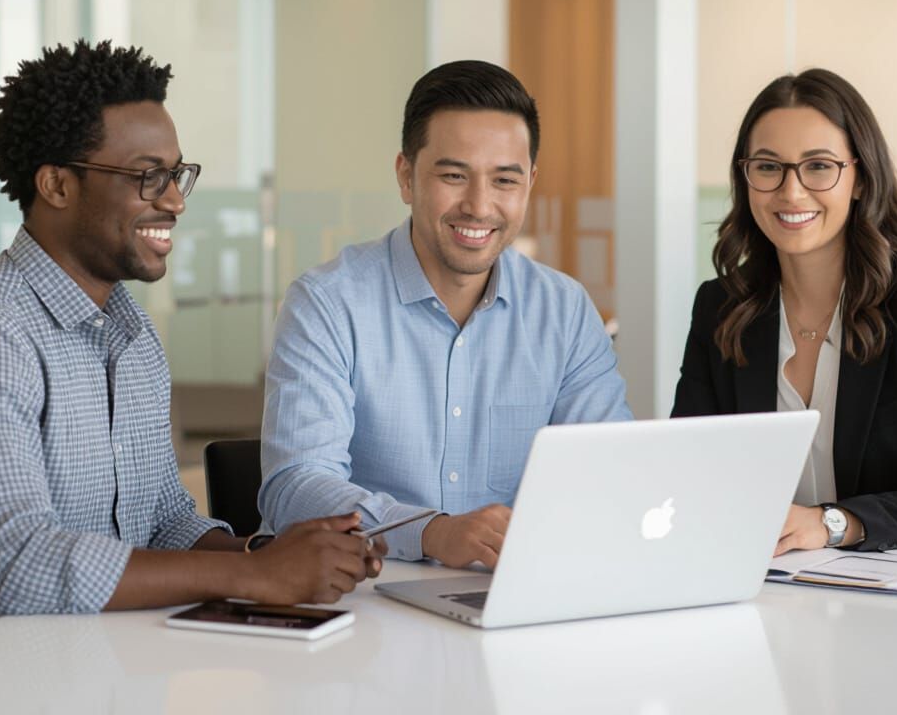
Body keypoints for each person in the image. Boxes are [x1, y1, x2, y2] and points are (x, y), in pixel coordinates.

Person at [0, 40, 381, 648]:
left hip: (98, 669)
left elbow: (164, 521)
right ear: (57, 185)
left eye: (175, 175)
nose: (173, 200)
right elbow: (14, 565)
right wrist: (254, 574)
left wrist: (283, 553)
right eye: (147, 176)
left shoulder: (131, 334)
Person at [260, 60, 632, 569]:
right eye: (454, 176)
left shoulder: (564, 312)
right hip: (363, 603)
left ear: (529, 183)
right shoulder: (327, 303)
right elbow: (294, 487)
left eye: (504, 180)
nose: (479, 206)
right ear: (406, 176)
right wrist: (431, 532)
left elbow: (607, 470)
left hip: (510, 600)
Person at [672, 68, 897, 554]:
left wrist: (834, 524)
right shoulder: (721, 307)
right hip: (771, 587)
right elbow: (687, 470)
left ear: (861, 178)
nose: (791, 191)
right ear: (746, 179)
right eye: (768, 166)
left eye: (819, 166)